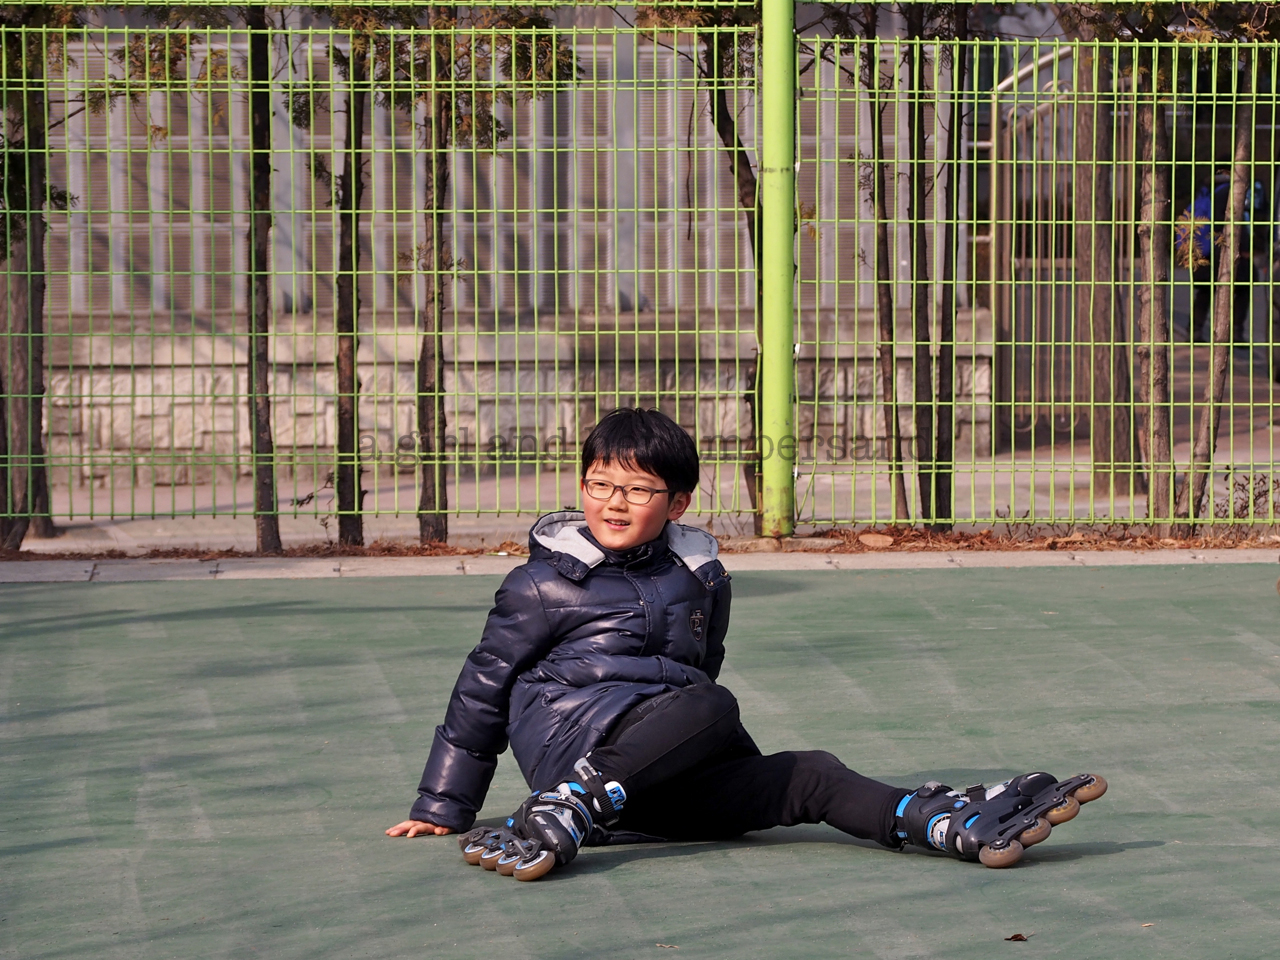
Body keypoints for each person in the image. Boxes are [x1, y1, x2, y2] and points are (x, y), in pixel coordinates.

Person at [385, 408, 1106, 879]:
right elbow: (482, 689)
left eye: (637, 490)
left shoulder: (701, 576)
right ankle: (566, 805)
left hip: (644, 783)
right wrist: (443, 804)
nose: (613, 502)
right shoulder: (543, 582)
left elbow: (698, 668)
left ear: (677, 503)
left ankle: (943, 823)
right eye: (600, 485)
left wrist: (721, 758)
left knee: (808, 774)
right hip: (574, 749)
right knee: (710, 703)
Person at [1176, 173, 1267, 344]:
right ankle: (1235, 332)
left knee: (1206, 291)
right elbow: (1234, 223)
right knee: (1243, 287)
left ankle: (1195, 330)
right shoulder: (1230, 193)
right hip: (1225, 248)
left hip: (1207, 249)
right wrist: (1245, 248)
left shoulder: (1208, 191)